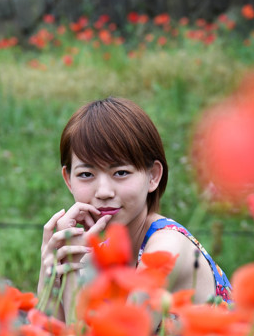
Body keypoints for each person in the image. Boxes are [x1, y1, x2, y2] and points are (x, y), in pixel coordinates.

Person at [37, 97, 231, 323]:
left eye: (120, 172)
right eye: (86, 174)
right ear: (68, 180)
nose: (103, 191)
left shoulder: (167, 250)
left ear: (153, 176)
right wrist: (49, 274)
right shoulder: (94, 255)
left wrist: (71, 270)